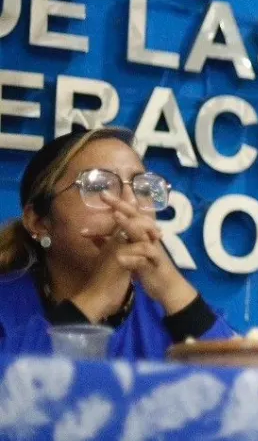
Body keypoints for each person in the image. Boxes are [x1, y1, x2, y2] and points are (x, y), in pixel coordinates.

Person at [0, 127, 234, 357]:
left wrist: (173, 288)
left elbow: (246, 386)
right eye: (98, 186)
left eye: (144, 189)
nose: (131, 203)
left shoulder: (171, 307)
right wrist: (97, 297)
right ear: (39, 223)